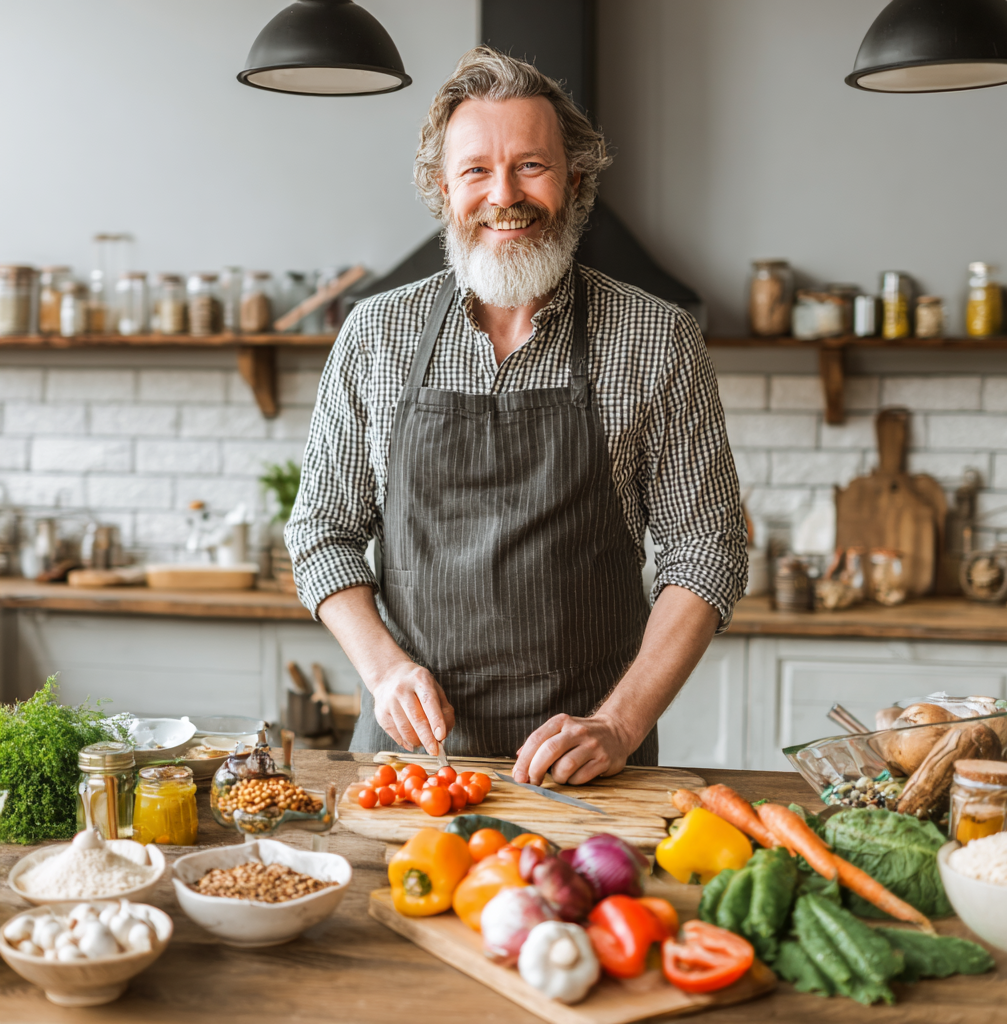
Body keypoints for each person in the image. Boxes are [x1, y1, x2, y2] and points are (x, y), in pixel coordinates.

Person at [286, 46, 747, 787]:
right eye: (476, 170)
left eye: (531, 165)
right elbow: (321, 531)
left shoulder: (659, 337)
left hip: (588, 762)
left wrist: (620, 723)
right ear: (443, 188)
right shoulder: (375, 333)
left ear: (575, 180)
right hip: (412, 762)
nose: (505, 195)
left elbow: (707, 549)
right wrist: (384, 670)